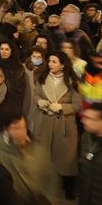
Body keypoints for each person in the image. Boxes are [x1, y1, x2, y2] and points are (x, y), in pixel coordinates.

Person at [0, 114, 59, 205]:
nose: (21, 132)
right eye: (16, 128)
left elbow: (50, 175)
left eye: (23, 127)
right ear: (5, 130)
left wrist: (48, 199)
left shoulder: (37, 148)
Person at [29, 50, 79, 197]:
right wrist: (39, 101)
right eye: (49, 61)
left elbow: (77, 105)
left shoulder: (72, 81)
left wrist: (62, 107)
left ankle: (68, 188)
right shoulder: (42, 77)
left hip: (64, 124)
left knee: (66, 158)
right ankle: (44, 186)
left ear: (63, 65)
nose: (50, 64)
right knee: (44, 156)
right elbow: (36, 94)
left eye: (54, 61)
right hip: (44, 122)